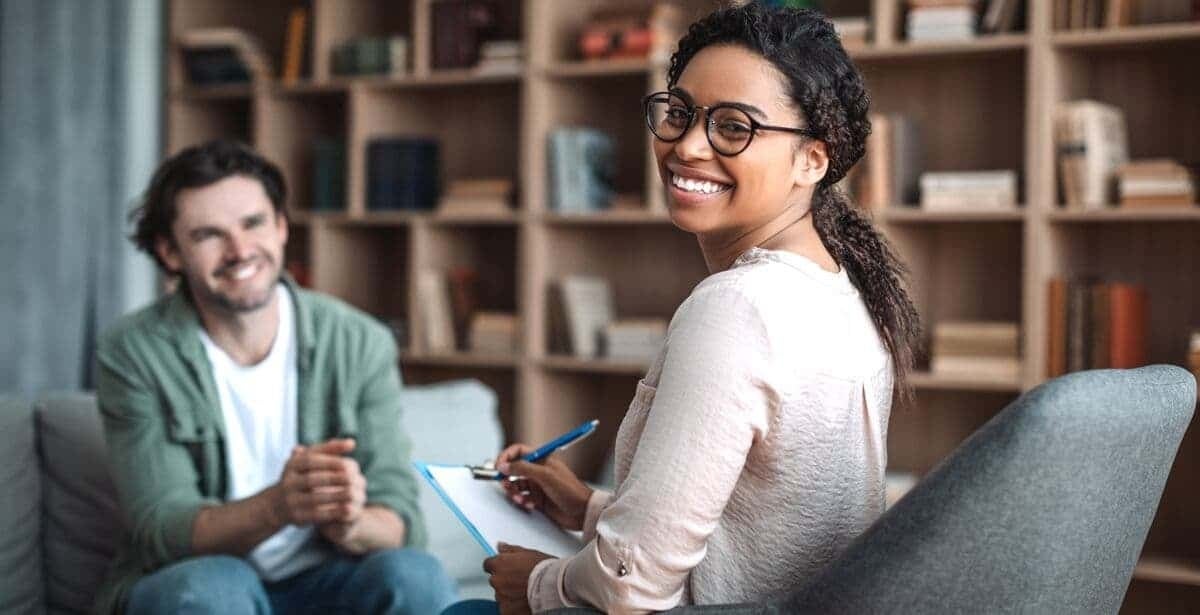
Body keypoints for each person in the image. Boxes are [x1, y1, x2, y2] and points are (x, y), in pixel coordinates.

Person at [443, 4, 921, 614]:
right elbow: (756, 536)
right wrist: (589, 507)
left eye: (734, 126)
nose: (687, 146)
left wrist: (537, 585)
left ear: (813, 160)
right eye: (680, 113)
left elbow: (631, 589)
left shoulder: (739, 307)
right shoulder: (840, 290)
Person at [93, 140, 456, 615]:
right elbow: (163, 531)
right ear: (170, 252)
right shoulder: (134, 351)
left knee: (416, 576)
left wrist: (349, 521)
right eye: (208, 235)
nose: (240, 250)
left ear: (282, 227)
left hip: (328, 579)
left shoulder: (359, 341)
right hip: (199, 582)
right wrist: (280, 506)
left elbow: (402, 522)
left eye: (253, 223)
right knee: (214, 588)